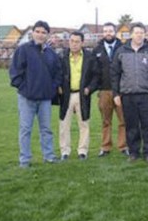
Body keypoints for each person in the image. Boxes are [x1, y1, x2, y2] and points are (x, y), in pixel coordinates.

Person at [9, 20, 62, 168]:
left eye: (43, 32)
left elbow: (58, 74)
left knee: (46, 129)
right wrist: (24, 89)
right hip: (27, 98)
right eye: (37, 31)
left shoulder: (51, 54)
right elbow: (15, 73)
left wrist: (51, 89)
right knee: (25, 129)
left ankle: (49, 156)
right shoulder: (23, 50)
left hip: (45, 99)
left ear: (47, 35)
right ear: (33, 33)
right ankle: (24, 160)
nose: (40, 35)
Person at [111, 22, 148, 163]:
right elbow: (115, 74)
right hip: (128, 96)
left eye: (141, 32)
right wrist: (116, 94)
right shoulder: (121, 51)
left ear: (144, 34)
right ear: (131, 34)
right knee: (131, 126)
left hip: (147, 95)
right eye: (136, 32)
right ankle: (133, 152)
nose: (139, 35)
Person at [58, 31, 98, 160]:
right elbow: (56, 73)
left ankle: (82, 151)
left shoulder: (89, 57)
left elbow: (96, 76)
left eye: (77, 42)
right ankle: (65, 151)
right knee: (64, 124)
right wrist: (58, 86)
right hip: (66, 95)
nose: (74, 44)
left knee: (84, 123)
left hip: (82, 95)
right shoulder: (62, 56)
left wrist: (89, 89)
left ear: (82, 43)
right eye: (71, 41)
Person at [92, 22, 129, 157]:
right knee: (106, 121)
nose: (108, 33)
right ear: (103, 33)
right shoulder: (97, 50)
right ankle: (105, 147)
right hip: (104, 90)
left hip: (121, 91)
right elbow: (94, 71)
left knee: (123, 120)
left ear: (115, 32)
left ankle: (123, 146)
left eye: (111, 31)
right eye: (106, 31)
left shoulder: (124, 48)